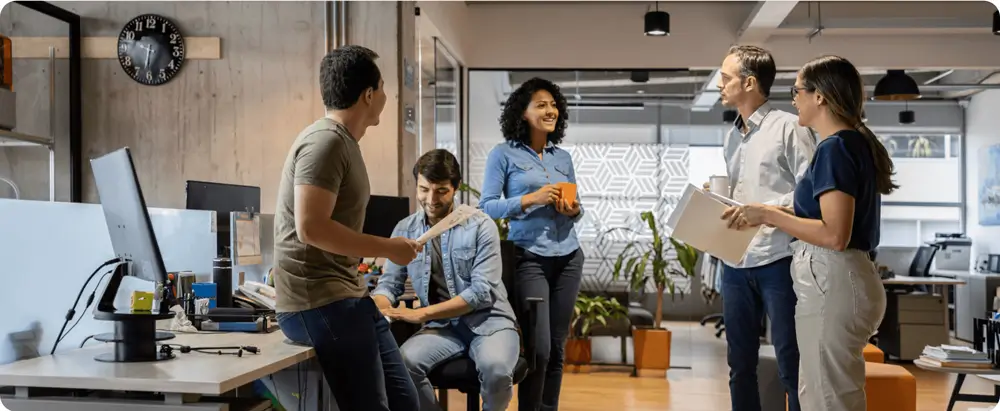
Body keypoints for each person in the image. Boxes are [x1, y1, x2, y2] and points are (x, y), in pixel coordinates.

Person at [731, 55, 892, 411]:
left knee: (826, 398)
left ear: (819, 96)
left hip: (832, 277)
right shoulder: (848, 144)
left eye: (797, 91)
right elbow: (822, 216)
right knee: (825, 392)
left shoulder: (835, 148)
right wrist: (767, 213)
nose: (793, 100)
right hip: (841, 278)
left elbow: (834, 234)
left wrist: (769, 215)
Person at [271, 45, 421, 411]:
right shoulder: (325, 142)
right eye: (383, 87)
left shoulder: (343, 142)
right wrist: (388, 248)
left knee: (407, 402)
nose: (386, 95)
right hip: (317, 302)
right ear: (369, 95)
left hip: (347, 297)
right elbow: (311, 228)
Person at [373, 149, 521, 411]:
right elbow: (390, 284)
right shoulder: (405, 230)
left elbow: (479, 294)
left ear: (455, 188)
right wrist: (380, 305)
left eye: (441, 190)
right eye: (424, 189)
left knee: (496, 370)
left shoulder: (479, 225)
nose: (431, 199)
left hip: (489, 322)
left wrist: (422, 314)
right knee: (402, 364)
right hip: (442, 327)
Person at [712, 45, 817, 411]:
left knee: (791, 364)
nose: (719, 84)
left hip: (779, 259)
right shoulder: (732, 136)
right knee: (739, 366)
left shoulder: (789, 128)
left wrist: (765, 209)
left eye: (726, 78)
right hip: (736, 261)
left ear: (750, 82)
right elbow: (743, 197)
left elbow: (809, 194)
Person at [479, 77, 583, 411]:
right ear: (522, 112)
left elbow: (575, 208)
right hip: (529, 257)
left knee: (557, 345)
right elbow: (487, 206)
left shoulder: (562, 158)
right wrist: (529, 199)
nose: (550, 109)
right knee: (538, 349)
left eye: (553, 105)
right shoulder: (503, 154)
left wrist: (574, 210)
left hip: (569, 255)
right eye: (541, 104)